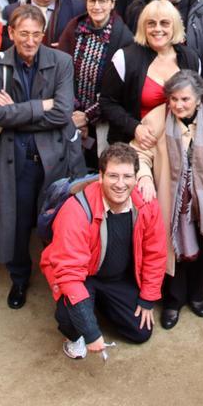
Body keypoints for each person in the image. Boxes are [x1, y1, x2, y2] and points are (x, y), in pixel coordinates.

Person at [0, 4, 84, 310]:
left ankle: (61, 278)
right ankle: (19, 278)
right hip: (16, 156)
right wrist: (40, 106)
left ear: (44, 34)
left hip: (54, 155)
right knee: (16, 221)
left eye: (36, 34)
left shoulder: (62, 61)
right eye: (23, 34)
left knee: (57, 221)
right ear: (11, 33)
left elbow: (62, 113)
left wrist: (18, 110)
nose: (30, 41)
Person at [133, 71, 203, 329]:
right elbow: (139, 153)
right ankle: (173, 301)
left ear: (199, 98)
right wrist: (145, 178)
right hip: (172, 201)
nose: (178, 105)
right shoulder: (158, 117)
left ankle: (197, 296)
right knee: (175, 249)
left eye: (185, 99)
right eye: (173, 99)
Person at [41, 143, 166, 357]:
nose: (120, 184)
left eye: (127, 176)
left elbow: (155, 253)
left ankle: (98, 305)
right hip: (83, 276)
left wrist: (148, 297)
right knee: (71, 318)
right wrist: (90, 332)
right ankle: (74, 329)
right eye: (113, 176)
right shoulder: (76, 210)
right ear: (100, 176)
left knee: (141, 332)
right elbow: (69, 275)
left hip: (117, 277)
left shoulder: (146, 205)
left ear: (136, 178)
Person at [101, 0, 201, 145]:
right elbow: (107, 103)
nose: (157, 29)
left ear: (175, 27)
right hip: (136, 145)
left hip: (181, 144)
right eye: (151, 23)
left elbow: (198, 101)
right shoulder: (125, 58)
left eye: (165, 23)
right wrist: (134, 127)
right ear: (143, 27)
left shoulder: (191, 58)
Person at [58, 0, 135, 159]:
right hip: (71, 114)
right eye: (92, 1)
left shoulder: (123, 38)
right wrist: (75, 113)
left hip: (104, 119)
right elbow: (61, 73)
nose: (97, 6)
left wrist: (87, 116)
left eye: (102, 1)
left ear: (112, 3)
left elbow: (118, 90)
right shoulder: (74, 28)